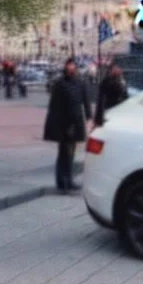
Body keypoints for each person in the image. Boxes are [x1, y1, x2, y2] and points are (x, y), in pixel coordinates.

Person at [43, 58, 92, 192]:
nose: (71, 68)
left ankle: (67, 180)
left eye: (72, 66)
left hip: (75, 122)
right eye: (68, 65)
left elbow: (86, 101)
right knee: (64, 152)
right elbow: (54, 106)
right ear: (66, 67)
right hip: (63, 123)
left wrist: (89, 117)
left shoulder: (80, 82)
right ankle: (62, 181)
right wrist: (55, 125)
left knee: (70, 153)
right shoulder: (60, 84)